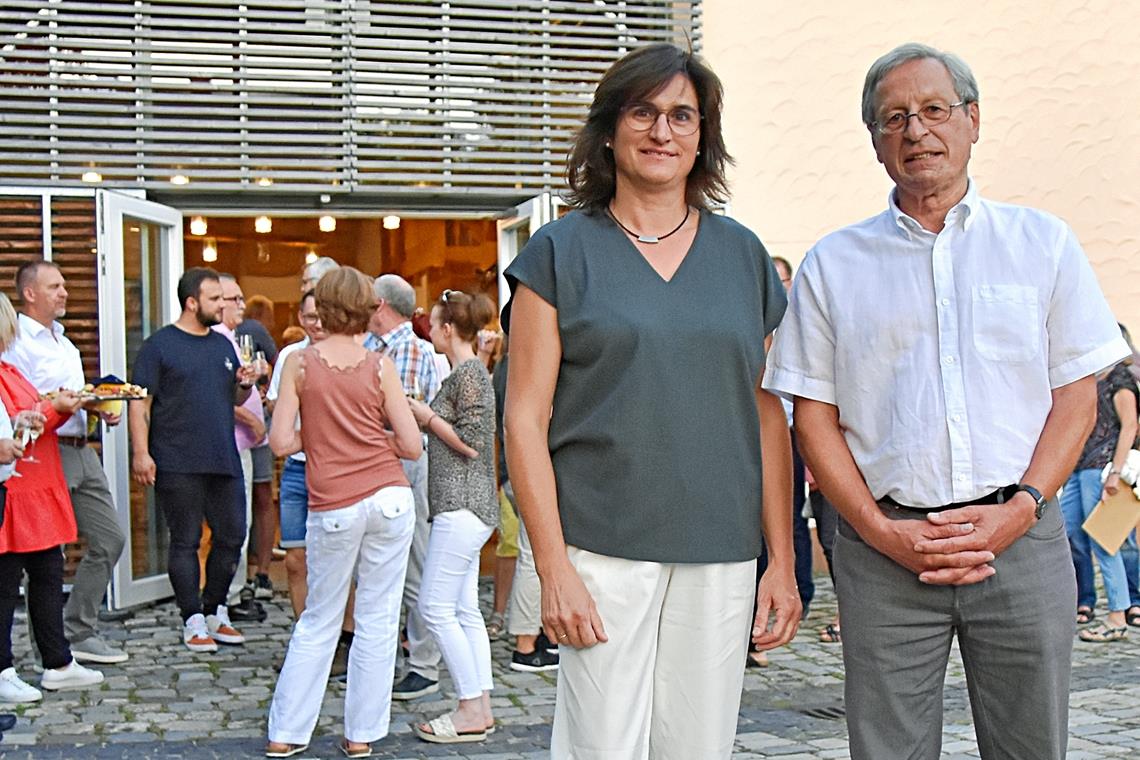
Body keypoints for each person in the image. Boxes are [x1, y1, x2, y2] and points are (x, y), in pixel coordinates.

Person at [764, 43, 1129, 760]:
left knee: (1032, 747)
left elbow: (1075, 398)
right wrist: (875, 528)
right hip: (884, 554)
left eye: (934, 110)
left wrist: (1020, 507)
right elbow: (814, 418)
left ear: (973, 120)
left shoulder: (1042, 244)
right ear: (874, 142)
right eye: (893, 117)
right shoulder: (833, 265)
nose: (916, 130)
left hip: (1021, 541)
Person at [503, 43, 798, 759]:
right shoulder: (559, 251)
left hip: (720, 549)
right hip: (602, 548)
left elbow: (765, 413)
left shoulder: (743, 256)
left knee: (698, 747)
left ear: (703, 138)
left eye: (682, 116)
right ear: (610, 129)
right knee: (600, 748)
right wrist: (553, 568)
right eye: (644, 112)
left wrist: (782, 562)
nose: (662, 131)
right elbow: (524, 418)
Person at [265, 267, 421, 759]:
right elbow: (412, 446)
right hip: (390, 498)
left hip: (333, 502)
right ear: (368, 309)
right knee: (377, 619)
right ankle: (360, 736)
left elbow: (279, 442)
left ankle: (286, 733)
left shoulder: (300, 364)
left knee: (319, 618)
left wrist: (320, 438)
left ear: (322, 308)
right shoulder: (380, 366)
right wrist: (373, 440)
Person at [4, 261, 129, 664]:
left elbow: (70, 397)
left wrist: (99, 407)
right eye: (55, 286)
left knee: (110, 538)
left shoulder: (65, 342)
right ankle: (53, 649)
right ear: (30, 293)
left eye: (64, 285)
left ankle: (77, 629)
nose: (64, 293)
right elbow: (17, 402)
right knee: (43, 554)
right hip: (42, 453)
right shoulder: (16, 341)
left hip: (80, 447)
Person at [128, 267, 258, 653]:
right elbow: (141, 403)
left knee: (233, 534)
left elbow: (230, 399)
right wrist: (141, 452)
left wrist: (244, 384)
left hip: (223, 456)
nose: (224, 305)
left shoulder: (222, 345)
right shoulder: (159, 346)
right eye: (215, 299)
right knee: (184, 540)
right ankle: (192, 618)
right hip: (177, 458)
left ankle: (215, 608)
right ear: (192, 302)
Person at [0, 293, 104, 702]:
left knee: (47, 572)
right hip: (18, 486)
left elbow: (25, 417)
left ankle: (57, 660)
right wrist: (49, 409)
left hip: (37, 481)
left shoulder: (9, 369)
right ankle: (3, 666)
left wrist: (52, 410)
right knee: (6, 583)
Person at [407, 290, 498, 744]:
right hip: (463, 504)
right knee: (462, 609)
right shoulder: (467, 372)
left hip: (463, 503)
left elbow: (473, 442)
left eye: (435, 322)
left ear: (447, 329)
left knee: (435, 606)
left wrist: (426, 417)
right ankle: (479, 703)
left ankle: (468, 707)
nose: (431, 330)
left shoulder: (468, 375)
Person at [366, 274, 444, 701]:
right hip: (380, 461)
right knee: (379, 567)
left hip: (408, 462)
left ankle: (423, 664)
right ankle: (385, 661)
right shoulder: (372, 348)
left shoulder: (409, 349)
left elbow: (407, 417)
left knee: (415, 561)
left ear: (379, 303)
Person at [1061, 345, 1138, 642]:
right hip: (1080, 469)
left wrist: (1116, 473)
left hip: (1103, 470)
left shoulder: (1120, 379)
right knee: (1066, 534)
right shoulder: (1092, 380)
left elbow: (1130, 426)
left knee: (1105, 541)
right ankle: (1077, 601)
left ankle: (1117, 616)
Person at [213, 274, 268, 623]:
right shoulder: (216, 340)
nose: (240, 305)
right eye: (233, 299)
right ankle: (226, 598)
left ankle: (230, 594)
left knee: (241, 520)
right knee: (235, 522)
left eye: (240, 298)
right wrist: (250, 421)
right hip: (231, 444)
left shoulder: (231, 339)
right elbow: (212, 395)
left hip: (242, 444)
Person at [236, 293, 279, 602]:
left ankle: (247, 575)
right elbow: (274, 364)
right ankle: (258, 572)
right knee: (261, 498)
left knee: (251, 498)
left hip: (252, 427)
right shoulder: (255, 328)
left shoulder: (234, 333)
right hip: (252, 427)